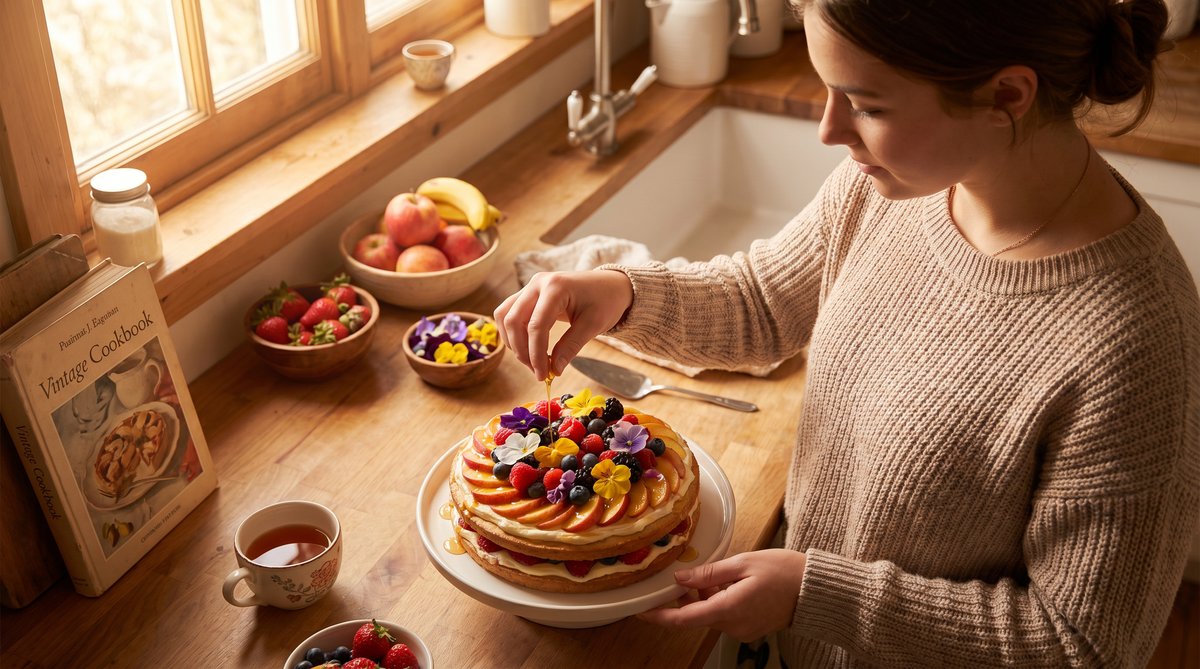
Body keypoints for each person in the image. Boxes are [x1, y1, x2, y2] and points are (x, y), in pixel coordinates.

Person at [494, 0, 1200, 665]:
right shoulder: (892, 183)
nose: (830, 129)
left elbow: (1081, 644)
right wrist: (623, 293)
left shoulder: (1135, 339)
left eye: (865, 103)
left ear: (1007, 97)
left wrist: (813, 594)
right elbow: (764, 301)